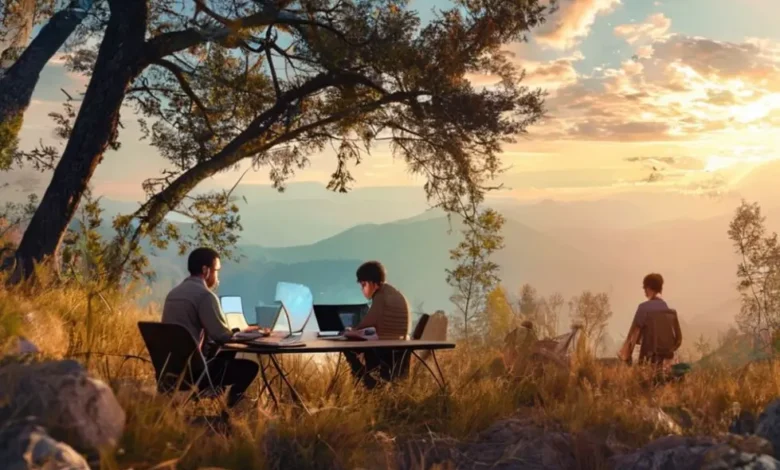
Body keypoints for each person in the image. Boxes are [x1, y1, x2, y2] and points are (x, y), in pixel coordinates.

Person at [161, 247, 260, 408]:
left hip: (169, 368)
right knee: (250, 368)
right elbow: (222, 336)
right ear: (206, 270)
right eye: (217, 271)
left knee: (226, 354)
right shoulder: (205, 295)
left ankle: (213, 395)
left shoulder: (173, 294)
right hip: (195, 373)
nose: (217, 277)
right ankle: (230, 412)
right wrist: (250, 333)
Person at [343, 260, 411, 389]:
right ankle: (367, 380)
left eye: (363, 285)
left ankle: (366, 380)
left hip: (382, 347)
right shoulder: (395, 293)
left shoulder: (381, 296)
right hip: (399, 345)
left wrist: (352, 330)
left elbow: (369, 322)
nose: (362, 289)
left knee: (348, 349)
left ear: (372, 283)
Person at [618, 273, 683, 369]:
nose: (644, 291)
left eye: (644, 288)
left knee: (624, 352)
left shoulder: (643, 308)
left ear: (648, 288)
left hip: (647, 359)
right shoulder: (668, 310)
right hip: (667, 359)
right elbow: (678, 341)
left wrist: (626, 352)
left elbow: (634, 334)